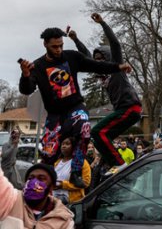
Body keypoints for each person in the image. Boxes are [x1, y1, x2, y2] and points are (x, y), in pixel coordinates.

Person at [19, 27, 131, 188]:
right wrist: (25, 75)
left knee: (85, 127)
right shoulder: (38, 66)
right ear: (45, 45)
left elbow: (96, 66)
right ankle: (43, 183)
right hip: (55, 114)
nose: (58, 50)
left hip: (75, 107)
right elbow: (27, 90)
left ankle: (76, 172)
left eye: (60, 46)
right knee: (49, 153)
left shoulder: (71, 57)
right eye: (54, 47)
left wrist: (118, 67)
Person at [68, 13, 142, 173]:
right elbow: (85, 57)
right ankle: (115, 165)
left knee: (96, 131)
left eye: (101, 59)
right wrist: (75, 40)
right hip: (123, 111)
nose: (99, 63)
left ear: (107, 58)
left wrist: (102, 23)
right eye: (97, 61)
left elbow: (115, 44)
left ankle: (120, 163)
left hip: (130, 107)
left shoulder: (116, 65)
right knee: (102, 137)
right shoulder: (101, 72)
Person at [0, 163, 74, 227]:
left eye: (41, 179)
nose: (34, 182)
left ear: (52, 187)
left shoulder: (63, 219)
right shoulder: (11, 200)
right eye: (30, 178)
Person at [53, 137, 90, 205]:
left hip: (71, 202)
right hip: (54, 198)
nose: (64, 146)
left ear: (73, 147)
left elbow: (85, 183)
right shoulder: (57, 163)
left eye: (67, 144)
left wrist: (63, 185)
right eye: (62, 144)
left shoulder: (81, 163)